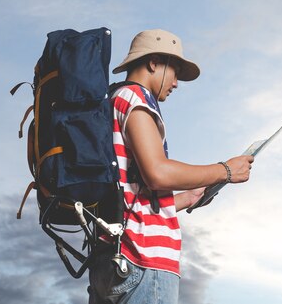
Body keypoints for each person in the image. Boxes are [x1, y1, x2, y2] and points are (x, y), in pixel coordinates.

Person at [88, 29, 254, 303]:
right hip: (143, 259)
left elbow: (132, 193)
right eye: (175, 70)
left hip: (110, 260)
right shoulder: (135, 99)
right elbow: (157, 173)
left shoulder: (112, 101)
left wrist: (185, 197)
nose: (176, 82)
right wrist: (225, 170)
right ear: (153, 62)